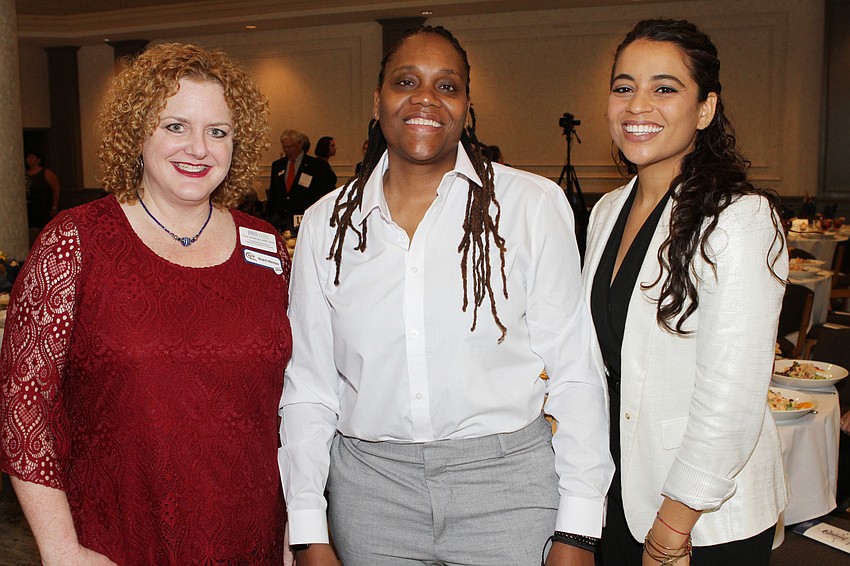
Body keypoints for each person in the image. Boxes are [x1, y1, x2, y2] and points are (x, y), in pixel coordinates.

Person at [279, 25, 612, 566]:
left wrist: (578, 531)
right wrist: (308, 530)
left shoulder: (529, 205)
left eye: (447, 86)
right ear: (378, 100)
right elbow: (310, 387)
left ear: (466, 106)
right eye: (406, 81)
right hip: (370, 493)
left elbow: (575, 370)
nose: (426, 98)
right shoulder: (327, 224)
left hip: (507, 487)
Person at [0, 43, 292, 565]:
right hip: (118, 539)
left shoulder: (267, 246)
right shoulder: (75, 242)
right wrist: (60, 548)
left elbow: (295, 402)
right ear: (137, 132)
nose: (199, 148)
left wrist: (297, 532)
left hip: (255, 536)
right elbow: (24, 403)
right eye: (175, 126)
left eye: (218, 132)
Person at [583, 19, 788, 565]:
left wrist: (673, 525)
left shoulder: (739, 219)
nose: (637, 105)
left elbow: (733, 396)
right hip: (619, 488)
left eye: (664, 88)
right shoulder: (606, 211)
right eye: (624, 87)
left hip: (702, 515)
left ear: (705, 109)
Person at [266, 129, 336, 232]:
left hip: (305, 219)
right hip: (281, 220)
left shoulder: (316, 166)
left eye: (290, 146)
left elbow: (322, 193)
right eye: (284, 147)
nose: (287, 150)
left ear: (299, 144)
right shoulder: (278, 165)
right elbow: (273, 193)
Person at [25, 151, 61, 241]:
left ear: (38, 160)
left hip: (44, 206)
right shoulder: (25, 174)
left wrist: (54, 207)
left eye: (32, 157)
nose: (29, 160)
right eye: (28, 158)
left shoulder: (46, 173)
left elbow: (56, 189)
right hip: (31, 207)